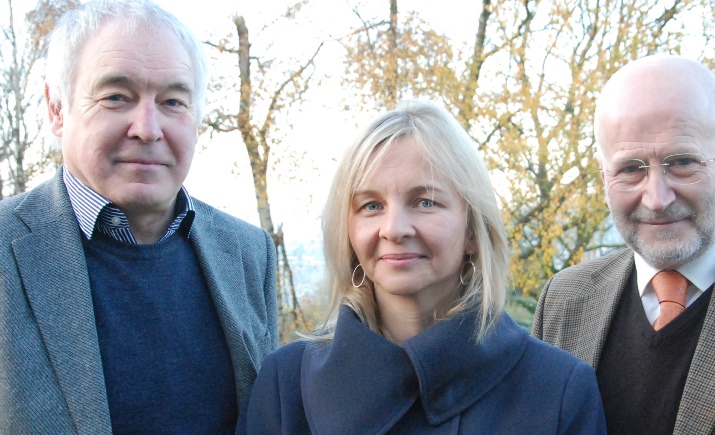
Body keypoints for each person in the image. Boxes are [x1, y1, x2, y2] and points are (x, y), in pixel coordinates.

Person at [237, 100, 606, 434]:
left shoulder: (559, 390)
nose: (394, 228)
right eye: (370, 205)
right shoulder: (285, 386)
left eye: (425, 201)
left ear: (473, 231)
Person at [0, 0, 278, 433]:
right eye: (116, 97)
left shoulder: (248, 253)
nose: (148, 128)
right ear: (57, 109)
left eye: (172, 101)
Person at [532, 54, 715, 434]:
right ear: (604, 177)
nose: (657, 198)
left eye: (682, 162)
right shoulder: (565, 300)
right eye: (630, 168)